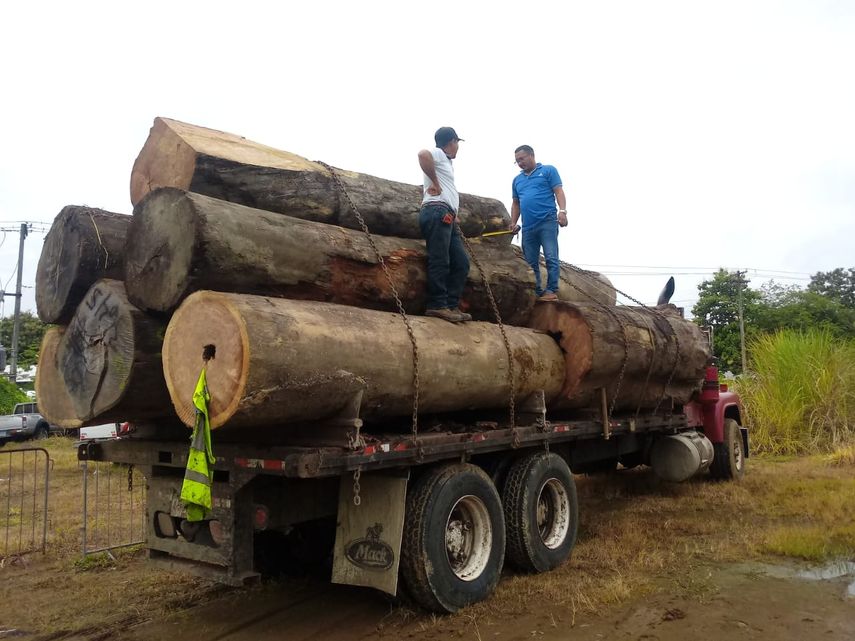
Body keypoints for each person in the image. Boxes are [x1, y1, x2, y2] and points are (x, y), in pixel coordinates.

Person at [417, 127, 471, 323]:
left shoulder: (445, 162)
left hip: (446, 214)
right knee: (440, 260)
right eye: (457, 143)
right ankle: (437, 305)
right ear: (452, 142)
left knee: (461, 263)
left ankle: (451, 304)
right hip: (436, 211)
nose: (458, 148)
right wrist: (436, 183)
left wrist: (453, 212)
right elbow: (422, 155)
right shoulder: (438, 153)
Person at [510, 145, 568, 301]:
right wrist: (513, 222)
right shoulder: (517, 180)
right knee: (529, 261)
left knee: (550, 256)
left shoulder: (548, 170)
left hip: (547, 221)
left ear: (531, 155)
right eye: (517, 161)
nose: (520, 163)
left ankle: (551, 290)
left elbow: (558, 191)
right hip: (528, 227)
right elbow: (516, 203)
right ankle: (536, 291)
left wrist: (562, 211)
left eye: (522, 159)